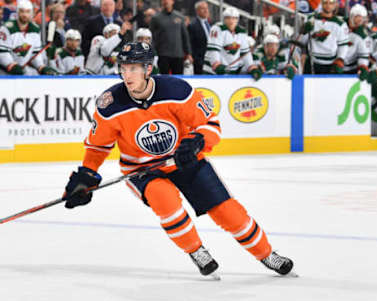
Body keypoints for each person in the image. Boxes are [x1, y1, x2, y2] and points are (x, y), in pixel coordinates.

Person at [63, 42, 295, 278]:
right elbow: (97, 146)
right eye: (123, 68)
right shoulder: (110, 104)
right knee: (166, 204)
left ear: (148, 69)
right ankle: (196, 251)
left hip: (184, 161)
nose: (127, 74)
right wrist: (86, 175)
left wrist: (197, 141)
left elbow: (211, 124)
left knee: (229, 213)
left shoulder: (176, 90)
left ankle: (266, 254)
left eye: (133, 68)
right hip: (142, 171)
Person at [0, 0, 56, 75]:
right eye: (22, 11)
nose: (24, 15)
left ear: (32, 13)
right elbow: (2, 52)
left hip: (12, 72)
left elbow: (34, 54)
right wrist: (11, 65)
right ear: (17, 12)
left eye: (28, 12)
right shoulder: (7, 28)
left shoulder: (35, 30)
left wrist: (41, 67)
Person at [203, 7, 261, 80]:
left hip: (231, 72)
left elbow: (245, 53)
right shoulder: (217, 29)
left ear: (237, 20)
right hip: (213, 72)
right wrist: (216, 65)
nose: (231, 21)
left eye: (234, 18)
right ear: (224, 19)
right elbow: (214, 50)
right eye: (228, 18)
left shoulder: (241, 32)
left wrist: (251, 67)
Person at [299, 0, 349, 74]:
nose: (328, 5)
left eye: (331, 3)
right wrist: (304, 31)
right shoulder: (311, 19)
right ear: (321, 4)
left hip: (331, 64)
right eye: (325, 3)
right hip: (312, 62)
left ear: (335, 5)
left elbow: (343, 45)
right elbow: (302, 42)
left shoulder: (340, 24)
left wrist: (340, 59)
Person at [150, 0, 192, 74]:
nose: (166, 1)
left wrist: (188, 53)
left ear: (173, 1)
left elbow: (185, 36)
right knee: (164, 80)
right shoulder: (155, 18)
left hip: (178, 55)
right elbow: (151, 36)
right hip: (163, 55)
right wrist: (152, 52)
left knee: (178, 80)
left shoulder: (180, 17)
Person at [343, 4, 371, 81]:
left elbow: (364, 54)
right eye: (358, 16)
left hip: (351, 69)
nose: (361, 20)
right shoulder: (341, 25)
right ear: (352, 16)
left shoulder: (363, 35)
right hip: (333, 65)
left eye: (363, 17)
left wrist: (363, 66)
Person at [188, 0, 211, 75]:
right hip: (200, 60)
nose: (206, 10)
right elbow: (191, 44)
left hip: (211, 59)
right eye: (203, 8)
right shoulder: (192, 25)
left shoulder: (211, 24)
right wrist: (195, 58)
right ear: (197, 11)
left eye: (207, 8)